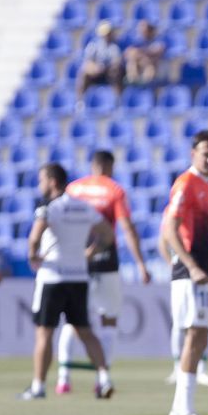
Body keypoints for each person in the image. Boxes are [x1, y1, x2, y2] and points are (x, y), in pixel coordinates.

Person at [55, 150, 151, 394]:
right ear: (109, 166)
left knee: (72, 319)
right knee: (109, 319)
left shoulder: (73, 189)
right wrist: (141, 263)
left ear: (92, 165)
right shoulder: (114, 190)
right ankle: (102, 378)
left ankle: (63, 378)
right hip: (106, 261)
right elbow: (126, 228)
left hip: (76, 263)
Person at [19, 163, 116, 400]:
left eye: (42, 180)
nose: (40, 185)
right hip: (78, 276)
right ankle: (104, 379)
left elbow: (34, 238)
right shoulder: (83, 207)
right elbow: (108, 234)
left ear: (52, 181)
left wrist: (33, 256)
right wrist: (91, 252)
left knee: (44, 334)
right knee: (85, 331)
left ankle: (39, 386)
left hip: (52, 276)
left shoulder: (49, 208)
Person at [164, 130, 208, 415]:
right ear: (193, 154)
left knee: (199, 336)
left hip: (202, 272)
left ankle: (179, 410)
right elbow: (169, 229)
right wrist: (189, 266)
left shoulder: (207, 187)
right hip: (191, 273)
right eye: (206, 153)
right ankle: (183, 411)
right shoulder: (186, 183)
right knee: (194, 335)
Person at [77, 21, 124, 99]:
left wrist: (105, 68)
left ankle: (118, 99)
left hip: (109, 72)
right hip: (96, 72)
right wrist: (96, 68)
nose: (108, 36)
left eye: (109, 33)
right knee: (84, 73)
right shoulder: (94, 45)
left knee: (116, 72)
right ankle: (80, 101)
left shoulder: (114, 46)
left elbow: (117, 61)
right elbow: (87, 61)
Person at [124, 20, 166, 86]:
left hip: (153, 66)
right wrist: (141, 54)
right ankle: (133, 80)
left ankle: (146, 85)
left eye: (144, 30)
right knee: (132, 59)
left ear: (150, 31)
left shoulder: (157, 40)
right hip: (140, 64)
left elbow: (158, 50)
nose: (141, 32)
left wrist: (142, 52)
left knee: (149, 66)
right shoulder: (139, 40)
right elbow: (128, 52)